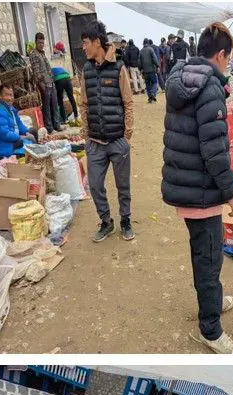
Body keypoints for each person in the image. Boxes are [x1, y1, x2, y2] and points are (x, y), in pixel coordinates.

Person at [162, 22, 233, 355]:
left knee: (207, 251)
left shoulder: (180, 79)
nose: (228, 66)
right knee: (209, 257)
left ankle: (213, 302)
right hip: (201, 192)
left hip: (186, 185)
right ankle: (211, 329)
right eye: (228, 59)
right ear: (221, 54)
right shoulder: (209, 88)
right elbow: (214, 151)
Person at [80, 23, 134, 242]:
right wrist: (85, 133)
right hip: (95, 142)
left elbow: (128, 103)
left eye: (85, 43)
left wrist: (126, 135)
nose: (83, 48)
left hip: (117, 140)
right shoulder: (86, 70)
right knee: (94, 185)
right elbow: (83, 104)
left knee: (123, 186)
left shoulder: (118, 68)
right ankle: (106, 222)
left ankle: (125, 220)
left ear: (96, 42)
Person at [0, 84, 35, 159]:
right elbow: (5, 134)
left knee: (33, 131)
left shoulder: (11, 109)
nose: (10, 98)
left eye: (11, 95)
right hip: (4, 146)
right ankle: (31, 159)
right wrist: (20, 137)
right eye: (6, 95)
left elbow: (19, 124)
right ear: (0, 96)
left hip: (13, 139)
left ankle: (36, 156)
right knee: (25, 141)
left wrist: (26, 132)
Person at [140, 38, 159, 103]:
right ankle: (153, 94)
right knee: (155, 82)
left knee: (147, 84)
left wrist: (140, 69)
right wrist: (157, 65)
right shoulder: (151, 49)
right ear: (148, 43)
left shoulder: (141, 51)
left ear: (143, 43)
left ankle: (150, 98)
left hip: (145, 71)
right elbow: (155, 58)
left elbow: (139, 62)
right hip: (152, 70)